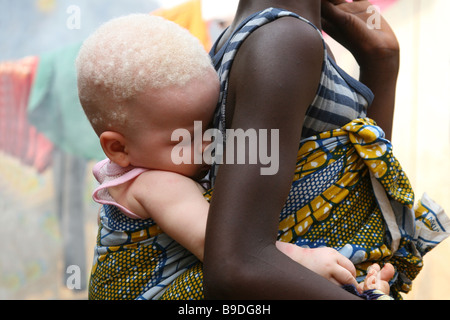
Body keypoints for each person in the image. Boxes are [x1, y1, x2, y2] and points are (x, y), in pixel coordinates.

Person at [77, 13, 393, 300]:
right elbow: (217, 246)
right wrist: (305, 261)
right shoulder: (156, 185)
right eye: (185, 138)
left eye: (211, 124)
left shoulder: (138, 167)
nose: (209, 143)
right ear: (118, 148)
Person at [202, 0, 449, 300]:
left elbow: (357, 203)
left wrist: (381, 62)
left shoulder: (250, 37)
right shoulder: (286, 41)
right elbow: (236, 263)